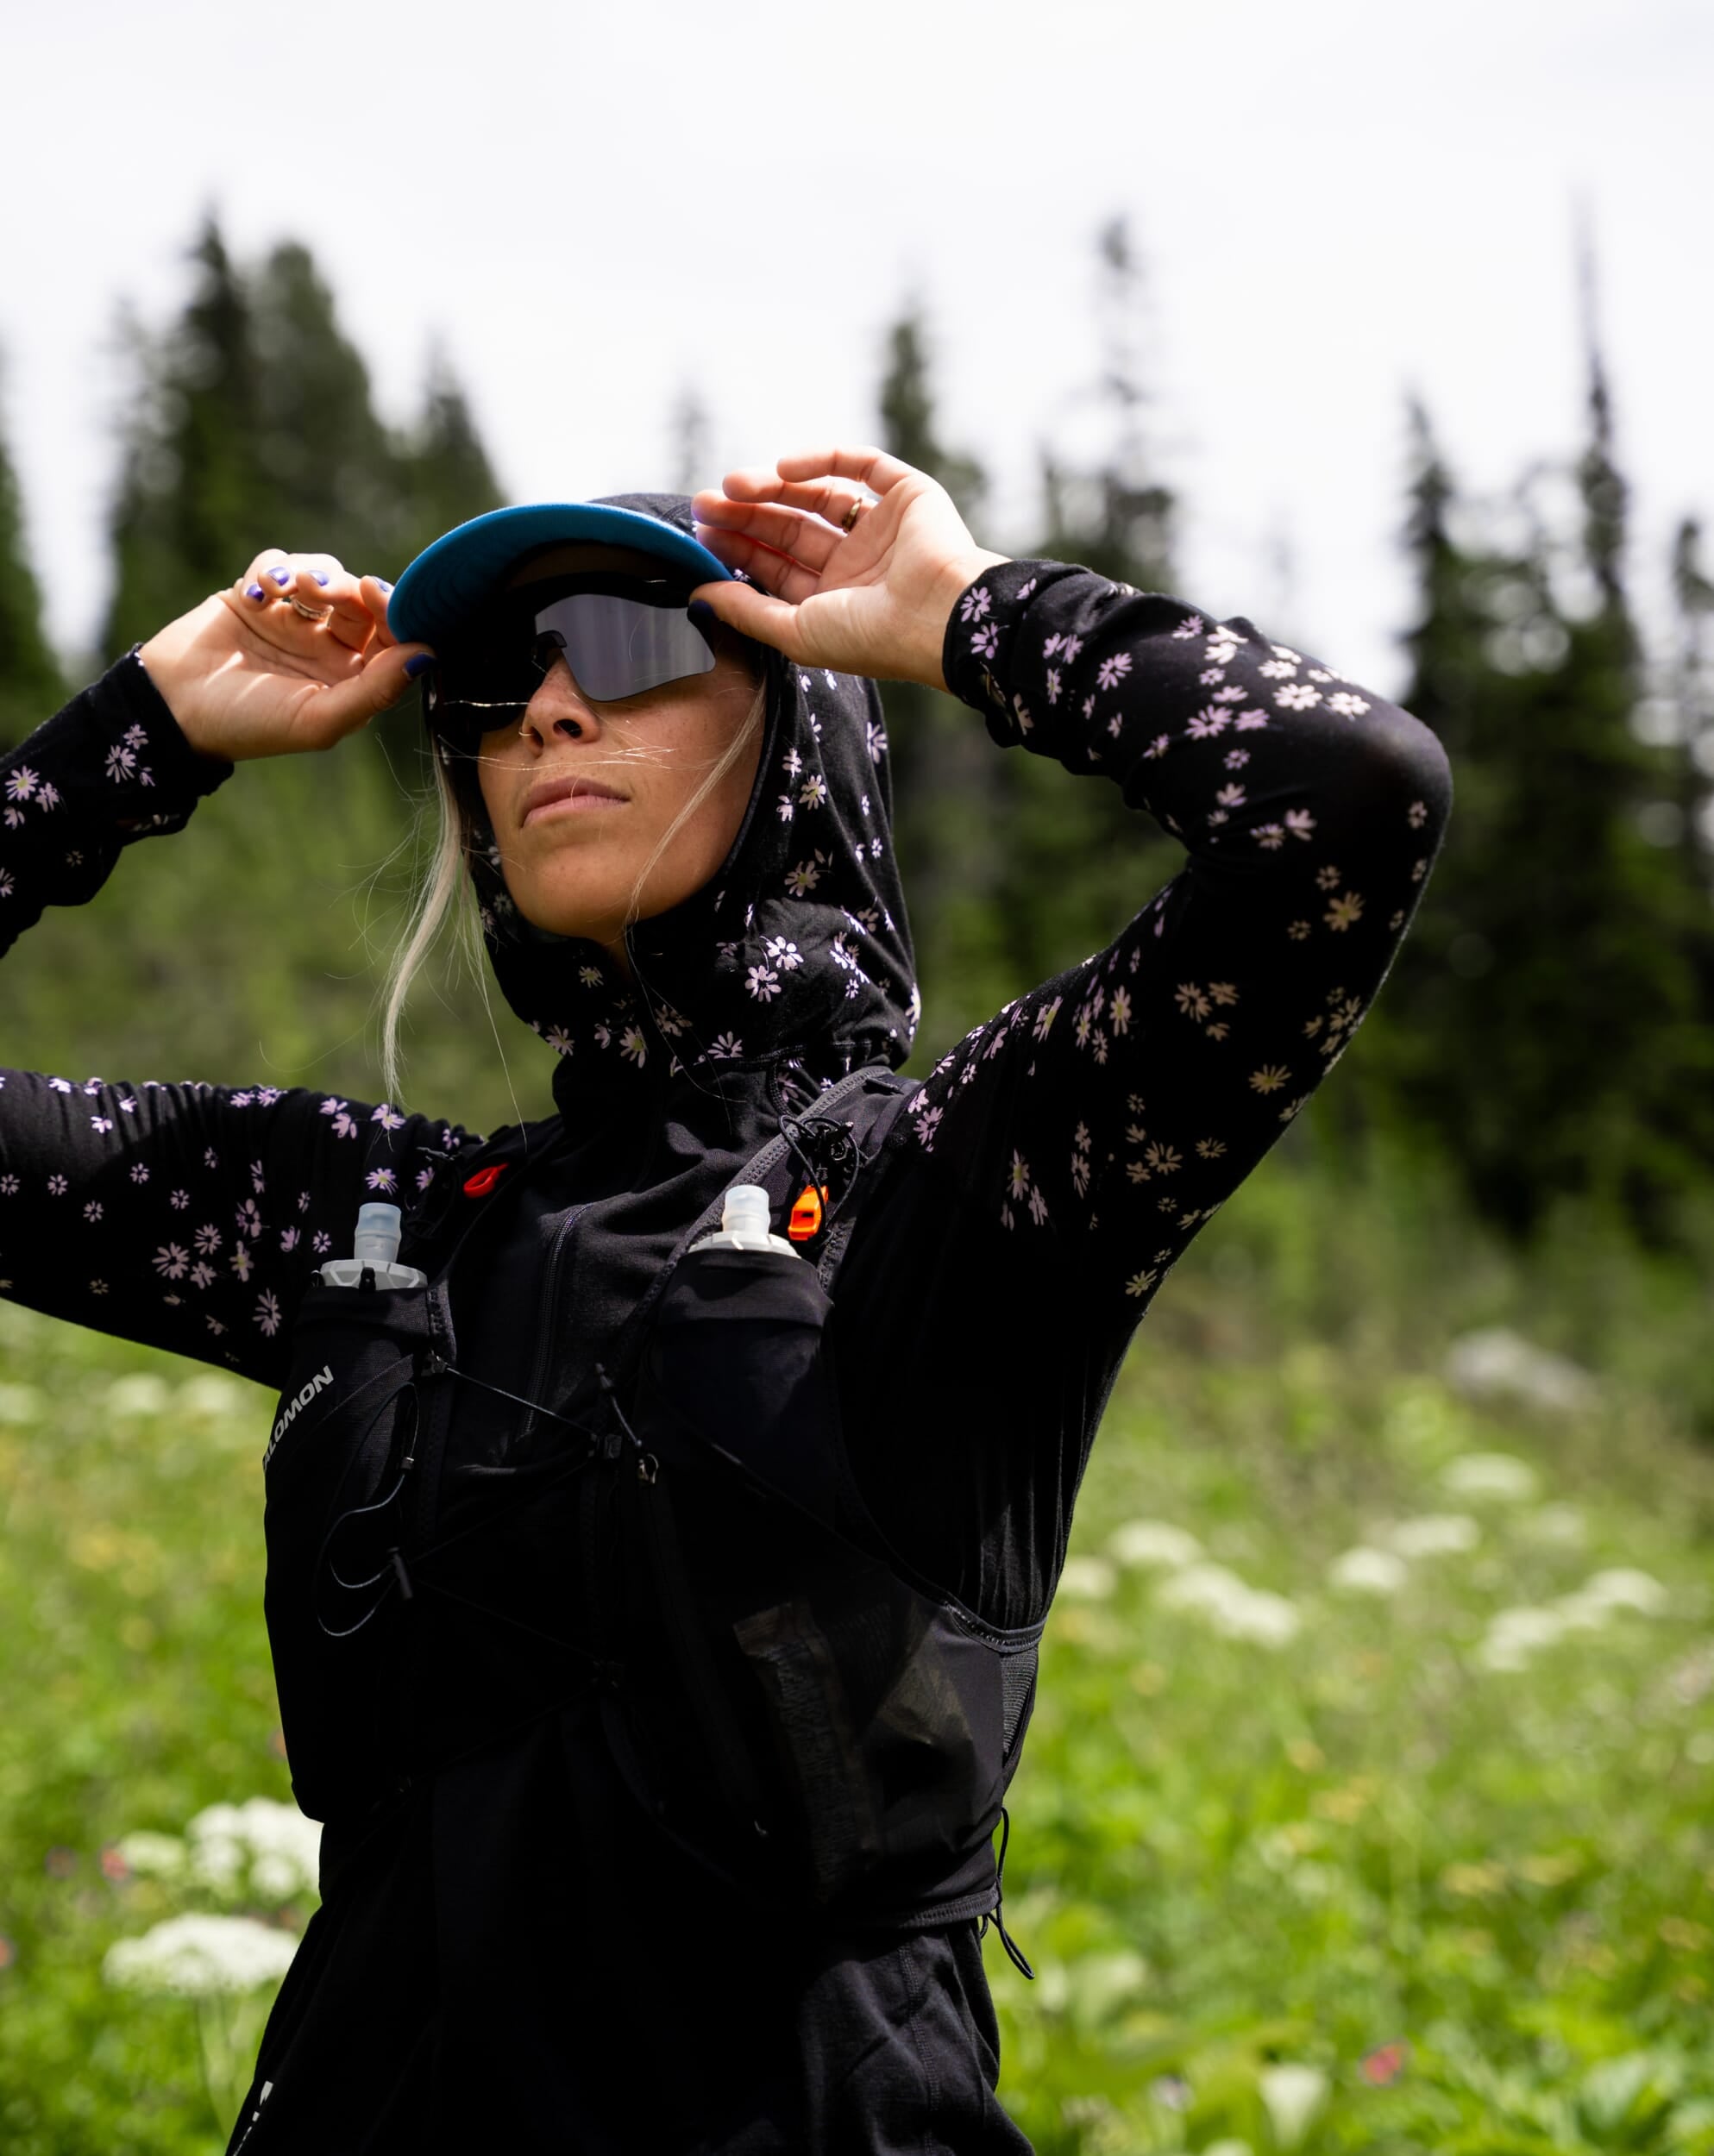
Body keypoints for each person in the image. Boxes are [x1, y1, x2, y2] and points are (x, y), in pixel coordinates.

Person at [0, 447, 1451, 2152]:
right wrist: (140, 732)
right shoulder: (390, 1228)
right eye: (493, 684)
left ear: (800, 721)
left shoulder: (955, 1186)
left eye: (629, 644)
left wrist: (970, 617)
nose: (548, 712)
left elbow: (1347, 798)